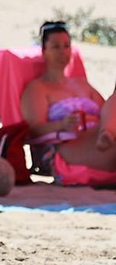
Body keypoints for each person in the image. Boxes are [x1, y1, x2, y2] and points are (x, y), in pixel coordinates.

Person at [20, 21, 107, 169]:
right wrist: (61, 125)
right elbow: (33, 129)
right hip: (63, 149)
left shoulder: (81, 83)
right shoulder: (37, 88)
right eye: (56, 47)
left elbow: (107, 111)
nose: (63, 52)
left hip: (96, 139)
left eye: (67, 46)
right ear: (44, 51)